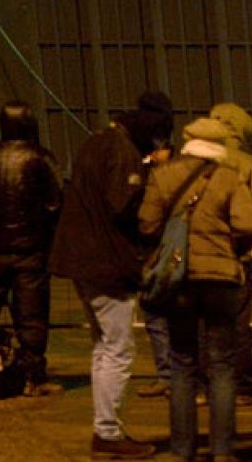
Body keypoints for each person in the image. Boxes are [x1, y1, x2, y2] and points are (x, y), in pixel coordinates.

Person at [50, 90, 175, 460]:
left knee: (104, 347)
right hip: (107, 263)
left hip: (82, 259)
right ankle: (107, 432)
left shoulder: (96, 142)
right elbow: (125, 205)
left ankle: (105, 428)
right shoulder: (123, 153)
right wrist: (153, 174)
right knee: (118, 349)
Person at [139, 116, 252, 462]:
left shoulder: (163, 176)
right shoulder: (230, 178)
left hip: (179, 278)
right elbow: (247, 226)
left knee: (182, 362)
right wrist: (232, 251)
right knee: (222, 364)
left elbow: (147, 224)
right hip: (220, 278)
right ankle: (223, 449)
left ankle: (183, 449)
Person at [0, 100, 64, 397]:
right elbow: (55, 204)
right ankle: (33, 377)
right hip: (30, 252)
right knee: (31, 317)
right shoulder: (41, 158)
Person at [210, 102, 252, 406]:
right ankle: (241, 388)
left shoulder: (195, 161)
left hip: (201, 256)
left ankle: (204, 386)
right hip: (237, 257)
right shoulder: (248, 165)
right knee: (238, 326)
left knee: (204, 325)